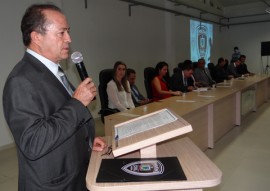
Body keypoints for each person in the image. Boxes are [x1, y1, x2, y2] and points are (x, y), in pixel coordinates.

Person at [2, 4, 106, 191]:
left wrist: (87, 142)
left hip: (74, 173)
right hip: (54, 185)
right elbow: (34, 142)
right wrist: (77, 103)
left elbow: (58, 117)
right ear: (37, 37)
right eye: (61, 33)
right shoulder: (21, 80)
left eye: (68, 31)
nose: (69, 38)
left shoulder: (54, 71)